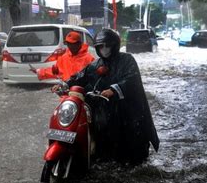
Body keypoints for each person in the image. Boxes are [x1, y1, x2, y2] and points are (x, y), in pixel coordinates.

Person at [63, 28, 159, 165]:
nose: (104, 49)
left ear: (114, 45)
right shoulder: (96, 64)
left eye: (107, 45)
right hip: (105, 112)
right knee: (103, 143)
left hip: (127, 111)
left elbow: (132, 79)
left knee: (132, 147)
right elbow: (80, 77)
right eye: (100, 46)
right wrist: (65, 85)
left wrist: (114, 89)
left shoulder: (127, 60)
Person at [30, 31, 95, 83]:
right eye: (68, 43)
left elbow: (94, 77)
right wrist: (39, 71)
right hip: (67, 91)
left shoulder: (89, 58)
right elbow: (56, 71)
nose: (70, 46)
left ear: (79, 44)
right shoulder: (64, 58)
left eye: (73, 44)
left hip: (82, 91)